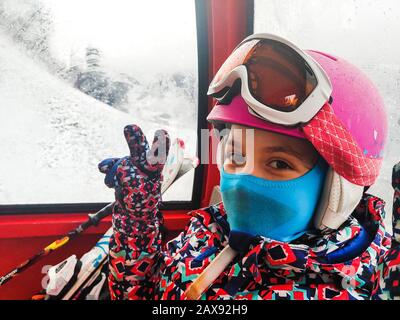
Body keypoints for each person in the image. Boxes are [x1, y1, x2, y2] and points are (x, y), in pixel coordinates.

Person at [98, 33, 400, 300]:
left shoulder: (363, 283)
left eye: (279, 163)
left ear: (341, 189)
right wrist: (137, 218)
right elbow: (142, 293)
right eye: (236, 156)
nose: (241, 181)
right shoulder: (209, 230)